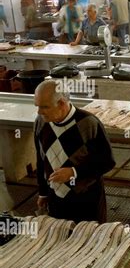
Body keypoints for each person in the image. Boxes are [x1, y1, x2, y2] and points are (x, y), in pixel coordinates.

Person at [34, 80, 115, 223]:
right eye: (38, 106)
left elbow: (107, 161)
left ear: (62, 104)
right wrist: (43, 192)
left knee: (90, 239)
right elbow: (41, 159)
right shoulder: (41, 122)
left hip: (86, 199)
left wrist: (73, 172)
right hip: (56, 199)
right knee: (61, 238)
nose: (39, 112)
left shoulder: (88, 123)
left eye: (44, 107)